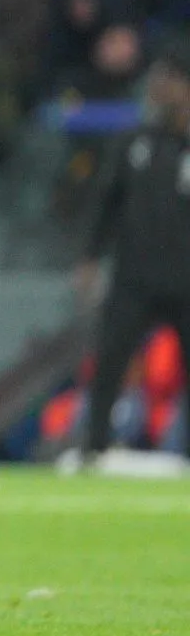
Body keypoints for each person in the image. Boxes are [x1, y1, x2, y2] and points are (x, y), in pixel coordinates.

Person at [75, 42, 190, 460]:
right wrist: (90, 257)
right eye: (159, 79)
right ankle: (95, 445)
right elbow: (106, 203)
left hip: (185, 280)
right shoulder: (134, 142)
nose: (160, 88)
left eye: (170, 80)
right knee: (109, 361)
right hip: (134, 278)